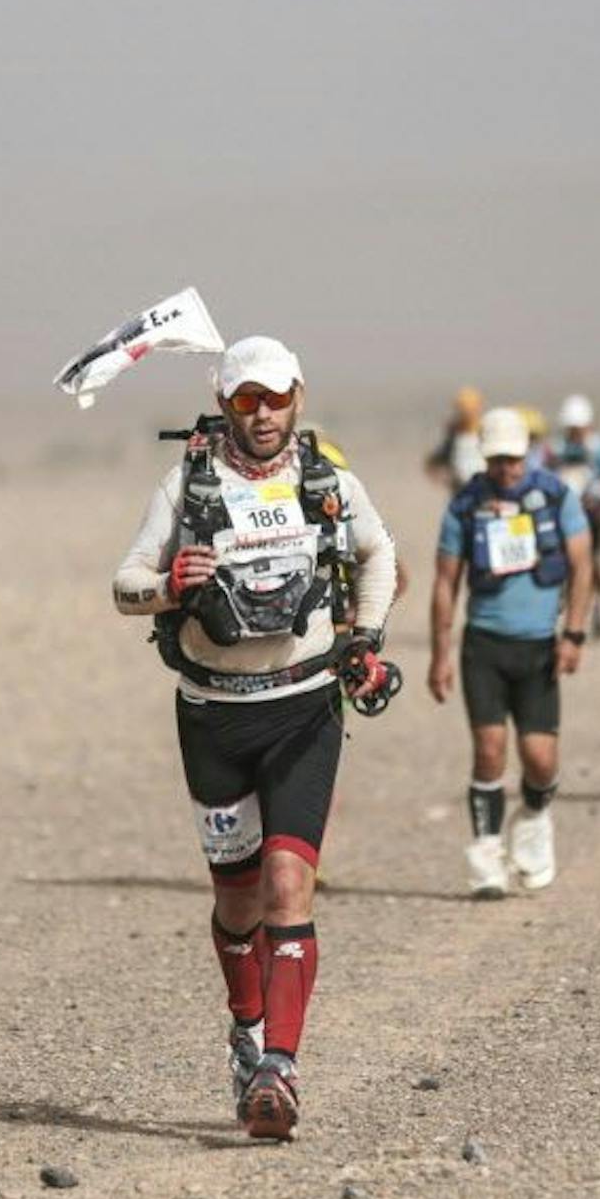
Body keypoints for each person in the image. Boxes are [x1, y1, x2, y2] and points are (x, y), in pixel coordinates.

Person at [112, 336, 400, 1142]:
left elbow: (379, 552)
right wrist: (168, 585)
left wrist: (365, 638)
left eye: (275, 396)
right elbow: (124, 583)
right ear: (225, 401)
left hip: (305, 708)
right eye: (247, 398)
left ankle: (280, 1066)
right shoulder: (187, 484)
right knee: (237, 903)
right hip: (213, 716)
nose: (263, 412)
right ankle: (246, 1029)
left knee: (286, 886)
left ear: (298, 394)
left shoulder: (326, 480)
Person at [428, 407, 594, 897]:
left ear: (529, 454)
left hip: (539, 647)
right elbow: (445, 583)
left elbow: (582, 566)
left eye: (515, 459)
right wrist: (440, 655)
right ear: (485, 457)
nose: (507, 469)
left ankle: (535, 818)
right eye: (498, 459)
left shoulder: (557, 497)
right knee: (490, 750)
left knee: (540, 759)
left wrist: (574, 634)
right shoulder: (465, 506)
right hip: (484, 646)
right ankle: (486, 856)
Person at [551, 394, 600, 639]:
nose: (574, 433)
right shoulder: (557, 449)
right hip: (565, 518)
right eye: (571, 428)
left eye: (578, 428)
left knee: (596, 564)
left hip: (595, 518)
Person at [424, 386, 487, 494]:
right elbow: (438, 459)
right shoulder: (454, 433)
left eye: (470, 408)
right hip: (460, 489)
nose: (466, 413)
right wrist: (445, 478)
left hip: (483, 489)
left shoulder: (486, 430)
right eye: (462, 409)